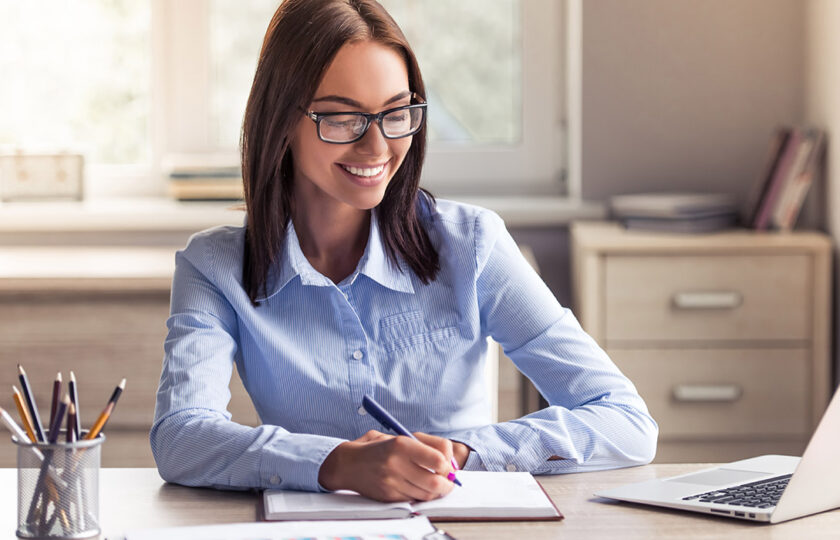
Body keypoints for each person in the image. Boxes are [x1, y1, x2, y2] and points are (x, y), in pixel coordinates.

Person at [151, 0, 657, 503]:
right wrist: (335, 464)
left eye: (396, 113)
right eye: (343, 118)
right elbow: (181, 436)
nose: (377, 148)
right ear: (281, 119)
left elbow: (625, 420)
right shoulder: (214, 268)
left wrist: (462, 453)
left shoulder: (471, 245)